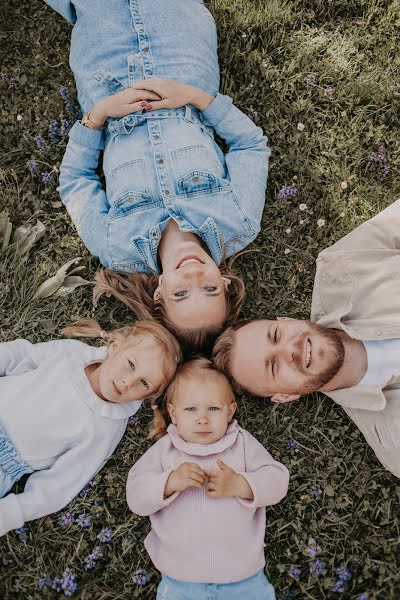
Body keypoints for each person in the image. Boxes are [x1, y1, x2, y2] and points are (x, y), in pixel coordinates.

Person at [44, 0, 270, 351]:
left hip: (106, 76)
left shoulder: (115, 246)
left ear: (159, 293)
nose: (194, 275)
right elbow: (251, 146)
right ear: (225, 283)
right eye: (209, 288)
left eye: (181, 293)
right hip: (183, 61)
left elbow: (75, 181)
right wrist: (195, 97)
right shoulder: (238, 222)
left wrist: (99, 114)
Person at [212, 199, 400, 478]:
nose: (290, 350)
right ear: (286, 396)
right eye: (273, 366)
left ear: (286, 320)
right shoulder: (393, 440)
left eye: (276, 335)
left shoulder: (346, 266)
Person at [0, 318, 181, 536]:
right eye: (131, 364)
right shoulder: (71, 355)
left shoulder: (106, 428)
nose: (127, 382)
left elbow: (62, 483)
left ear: (148, 396)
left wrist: (11, 512)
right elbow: (21, 355)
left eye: (144, 383)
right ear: (115, 347)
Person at [126, 358, 289, 599]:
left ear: (230, 410)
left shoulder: (241, 443)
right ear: (173, 413)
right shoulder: (166, 449)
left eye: (213, 409)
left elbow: (277, 481)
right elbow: (136, 496)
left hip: (243, 578)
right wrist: (169, 482)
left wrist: (240, 484)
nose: (202, 419)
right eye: (191, 409)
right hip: (180, 580)